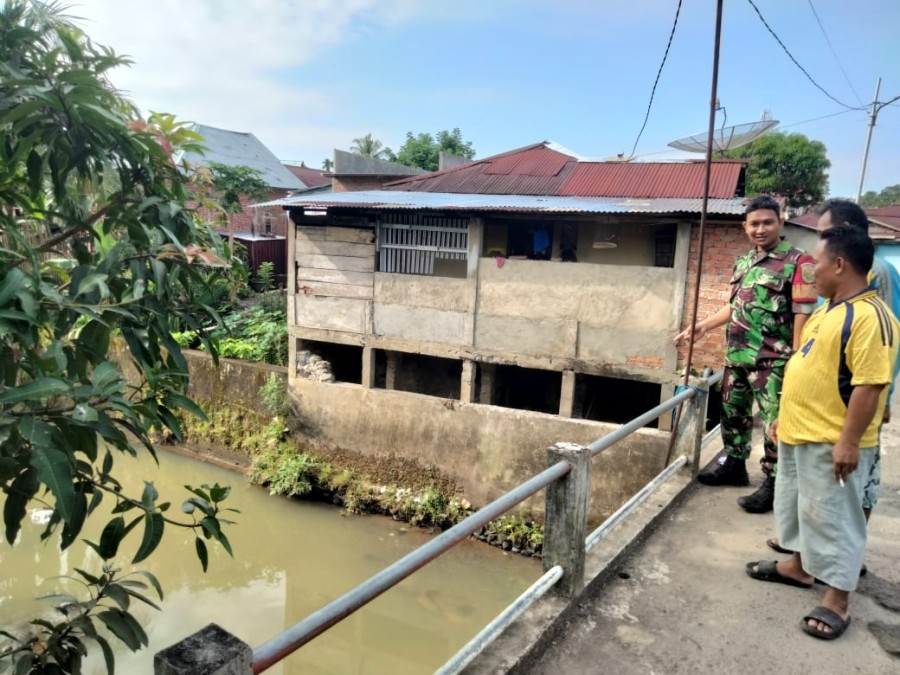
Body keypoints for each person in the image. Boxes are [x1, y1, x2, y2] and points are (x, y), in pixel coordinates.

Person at [746, 224, 899, 640]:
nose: (811, 269)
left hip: (831, 439)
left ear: (840, 264)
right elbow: (811, 365)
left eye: (816, 262)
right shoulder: (829, 309)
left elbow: (869, 385)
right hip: (801, 432)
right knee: (800, 509)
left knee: (836, 520)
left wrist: (848, 442)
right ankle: (799, 568)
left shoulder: (870, 317)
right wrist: (784, 416)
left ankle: (837, 600)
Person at [766, 198, 900, 558]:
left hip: (840, 419)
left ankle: (841, 570)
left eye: (825, 235)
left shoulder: (874, 280)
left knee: (842, 500)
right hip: (808, 421)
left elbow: (878, 356)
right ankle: (804, 560)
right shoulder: (834, 299)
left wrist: (875, 411)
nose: (816, 254)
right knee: (809, 498)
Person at [675, 196, 816, 512]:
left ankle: (775, 484)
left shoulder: (798, 261)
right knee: (733, 414)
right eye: (754, 224)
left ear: (781, 222)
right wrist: (703, 326)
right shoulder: (744, 262)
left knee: (774, 424)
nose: (760, 229)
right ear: (745, 227)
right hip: (737, 356)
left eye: (767, 222)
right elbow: (736, 305)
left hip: (773, 360)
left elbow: (803, 312)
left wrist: (797, 358)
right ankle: (734, 466)